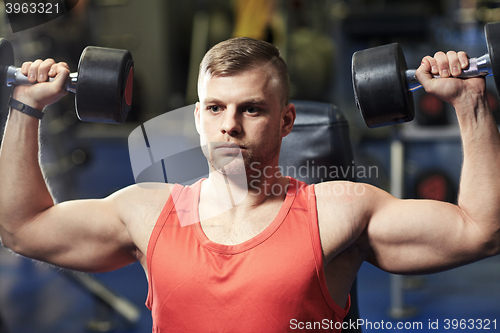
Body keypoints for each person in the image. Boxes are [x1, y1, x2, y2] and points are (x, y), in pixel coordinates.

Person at [0, 37, 499, 332]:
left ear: (286, 121)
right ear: (197, 118)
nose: (229, 125)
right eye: (215, 108)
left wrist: (469, 104)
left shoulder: (339, 212)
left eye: (251, 109)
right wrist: (26, 107)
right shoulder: (145, 213)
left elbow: (482, 231)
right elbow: (22, 228)